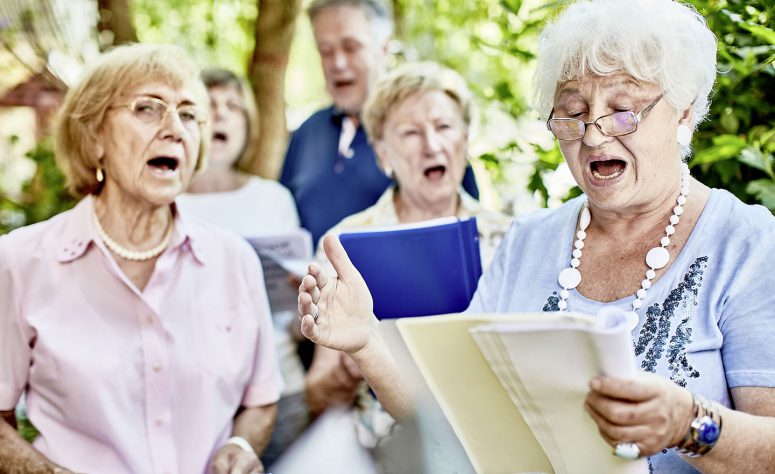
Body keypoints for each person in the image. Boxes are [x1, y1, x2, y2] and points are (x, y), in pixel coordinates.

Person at [297, 0, 775, 472]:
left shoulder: (745, 242)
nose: (593, 135)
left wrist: (689, 425)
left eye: (623, 109)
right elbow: (454, 417)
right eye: (573, 112)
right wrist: (367, 341)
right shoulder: (527, 241)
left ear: (683, 113)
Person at [0, 44, 281, 474]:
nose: (175, 129)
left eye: (189, 114)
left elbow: (261, 399)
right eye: (148, 108)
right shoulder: (21, 261)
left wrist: (241, 445)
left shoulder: (234, 260)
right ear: (95, 138)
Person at [304, 61, 511, 436]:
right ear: (383, 153)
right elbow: (317, 396)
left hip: (486, 434)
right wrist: (351, 363)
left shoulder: (511, 238)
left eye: (444, 127)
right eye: (411, 133)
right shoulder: (343, 245)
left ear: (465, 139)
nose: (432, 145)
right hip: (381, 442)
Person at [176, 68, 308, 467]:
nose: (220, 114)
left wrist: (303, 297)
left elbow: (297, 321)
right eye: (209, 104)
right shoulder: (163, 200)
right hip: (190, 398)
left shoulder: (273, 198)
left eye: (233, 106)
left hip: (279, 388)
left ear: (248, 124)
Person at [279, 0, 480, 248]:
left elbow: (469, 229)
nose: (338, 63)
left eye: (351, 47)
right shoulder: (306, 134)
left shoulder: (430, 138)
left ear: (384, 48)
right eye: (326, 51)